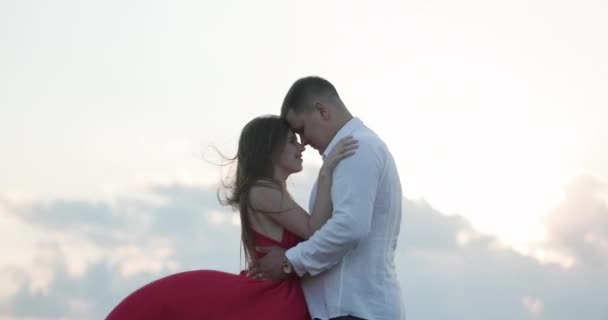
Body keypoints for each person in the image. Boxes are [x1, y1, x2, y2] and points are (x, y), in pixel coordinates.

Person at [105, 115, 358, 320]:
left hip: (280, 295)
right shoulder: (263, 191)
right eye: (292, 141)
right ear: (270, 149)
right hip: (275, 301)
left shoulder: (268, 190)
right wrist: (326, 173)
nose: (301, 147)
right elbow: (316, 230)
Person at [248, 77, 406, 320]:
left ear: (321, 111)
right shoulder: (355, 150)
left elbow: (349, 227)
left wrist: (288, 262)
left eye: (301, 130)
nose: (304, 142)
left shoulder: (357, 149)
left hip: (353, 311)